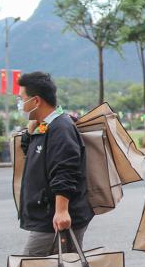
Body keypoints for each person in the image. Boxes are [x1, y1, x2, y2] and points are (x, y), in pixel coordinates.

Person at [15, 71, 93, 255]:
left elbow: (65, 170)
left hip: (54, 218)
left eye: (21, 98)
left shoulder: (61, 127)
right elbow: (33, 155)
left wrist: (62, 211)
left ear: (36, 101)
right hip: (46, 216)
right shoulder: (45, 125)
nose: (19, 104)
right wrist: (29, 131)